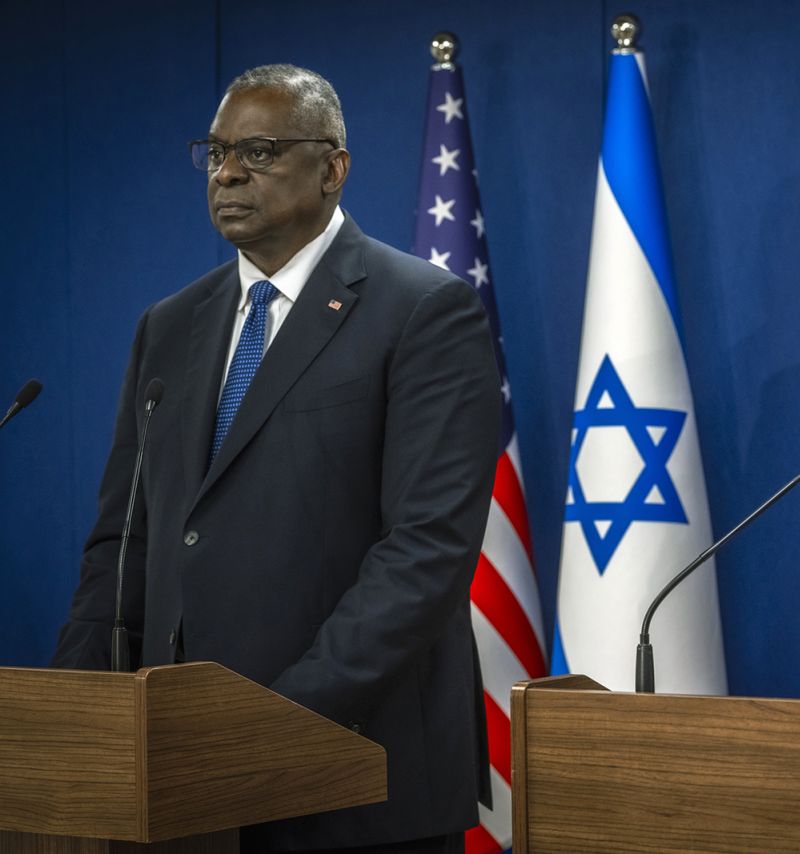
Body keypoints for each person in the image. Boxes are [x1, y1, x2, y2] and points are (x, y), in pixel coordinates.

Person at [51, 64, 500, 852]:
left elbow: (427, 551)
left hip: (354, 775)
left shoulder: (423, 310)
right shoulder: (170, 324)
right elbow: (125, 545)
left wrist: (278, 724)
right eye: (216, 150)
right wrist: (70, 717)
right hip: (177, 775)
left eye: (258, 151)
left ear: (333, 168)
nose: (226, 172)